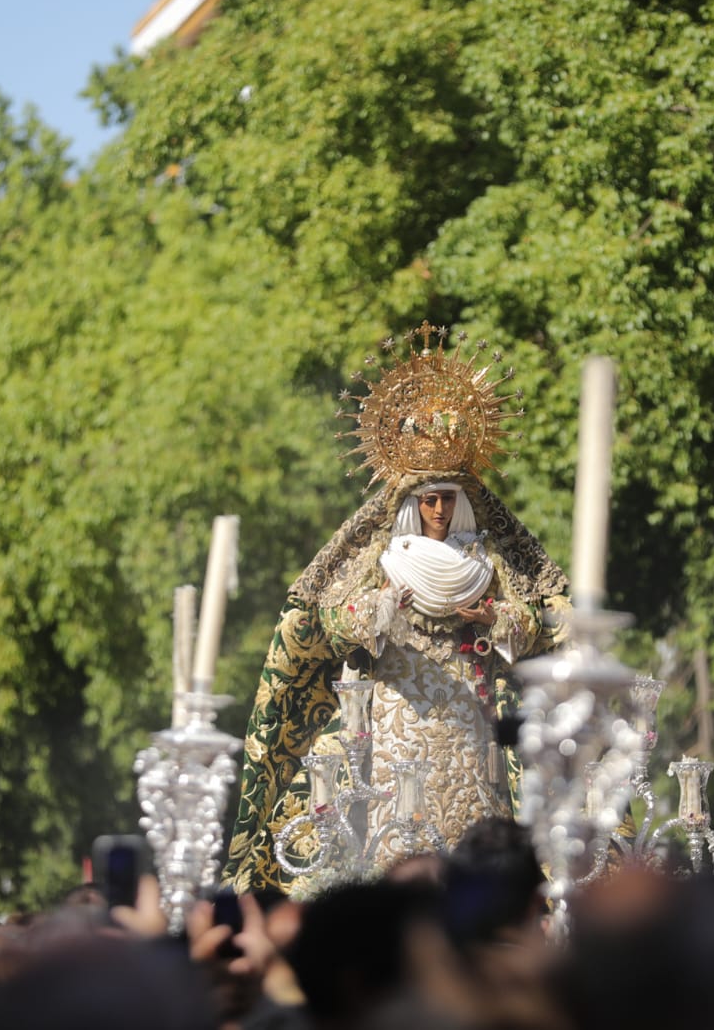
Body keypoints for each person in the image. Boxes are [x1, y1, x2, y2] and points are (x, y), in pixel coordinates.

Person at [222, 326, 570, 893]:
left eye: (447, 499)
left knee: (472, 846)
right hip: (391, 726)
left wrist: (497, 620)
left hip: (470, 723)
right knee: (392, 850)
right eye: (428, 499)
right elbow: (324, 626)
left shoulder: (488, 559)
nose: (438, 510)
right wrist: (377, 609)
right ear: (411, 503)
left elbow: (543, 624)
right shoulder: (383, 558)